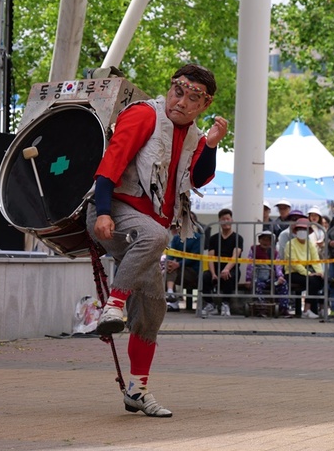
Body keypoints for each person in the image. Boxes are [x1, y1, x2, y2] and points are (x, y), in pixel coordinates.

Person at [87, 63, 228, 418]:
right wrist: (103, 212)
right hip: (113, 211)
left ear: (204, 104)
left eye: (192, 97)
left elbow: (198, 177)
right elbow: (110, 164)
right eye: (177, 90)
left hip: (148, 228)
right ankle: (113, 305)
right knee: (155, 235)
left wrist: (210, 144)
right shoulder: (143, 115)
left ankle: (136, 390)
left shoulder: (195, 134)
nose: (180, 101)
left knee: (153, 308)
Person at [202, 207, 243, 318]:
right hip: (216, 268)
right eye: (223, 219)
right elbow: (211, 257)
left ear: (232, 220)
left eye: (227, 219)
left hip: (231, 269)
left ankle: (226, 304)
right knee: (205, 276)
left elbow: (235, 256)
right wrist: (213, 273)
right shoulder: (214, 238)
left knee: (229, 276)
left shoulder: (238, 238)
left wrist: (227, 269)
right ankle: (210, 304)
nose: (225, 222)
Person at [283, 218, 324, 318]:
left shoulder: (310, 244)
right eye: (299, 229)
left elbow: (316, 260)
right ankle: (307, 310)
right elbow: (294, 264)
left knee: (321, 280)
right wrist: (309, 274)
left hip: (307, 272)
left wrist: (320, 273)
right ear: (295, 231)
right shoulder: (290, 244)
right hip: (292, 273)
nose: (302, 231)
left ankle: (318, 308)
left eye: (304, 229)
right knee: (313, 281)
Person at [245, 230, 290, 317]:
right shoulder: (254, 249)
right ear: (259, 240)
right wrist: (248, 279)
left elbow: (278, 266)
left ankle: (283, 308)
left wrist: (280, 276)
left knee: (283, 284)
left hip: (271, 279)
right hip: (258, 277)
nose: (265, 242)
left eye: (268, 240)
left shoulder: (274, 252)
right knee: (257, 285)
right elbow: (249, 265)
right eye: (263, 239)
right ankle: (261, 308)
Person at [165, 226, 202, 312]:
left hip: (193, 270)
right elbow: (171, 252)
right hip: (178, 269)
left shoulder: (198, 238)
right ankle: (171, 296)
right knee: (166, 271)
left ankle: (171, 296)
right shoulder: (176, 238)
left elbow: (194, 256)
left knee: (170, 271)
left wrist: (178, 264)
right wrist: (169, 262)